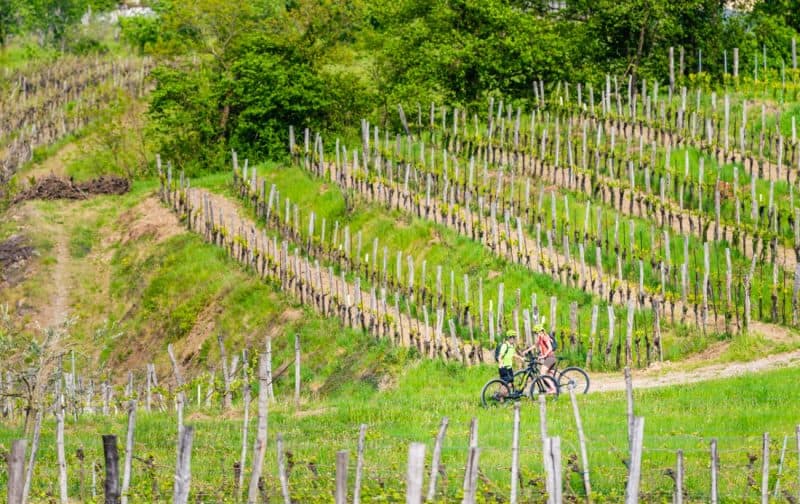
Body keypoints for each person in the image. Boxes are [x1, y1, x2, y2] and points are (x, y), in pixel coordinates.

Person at [533, 322, 558, 393]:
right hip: (549, 358)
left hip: (550, 358)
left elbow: (550, 348)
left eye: (536, 333)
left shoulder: (544, 337)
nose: (536, 334)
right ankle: (553, 388)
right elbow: (535, 345)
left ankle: (553, 389)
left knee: (542, 374)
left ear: (540, 331)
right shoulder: (540, 338)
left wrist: (544, 355)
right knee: (549, 375)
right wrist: (526, 351)